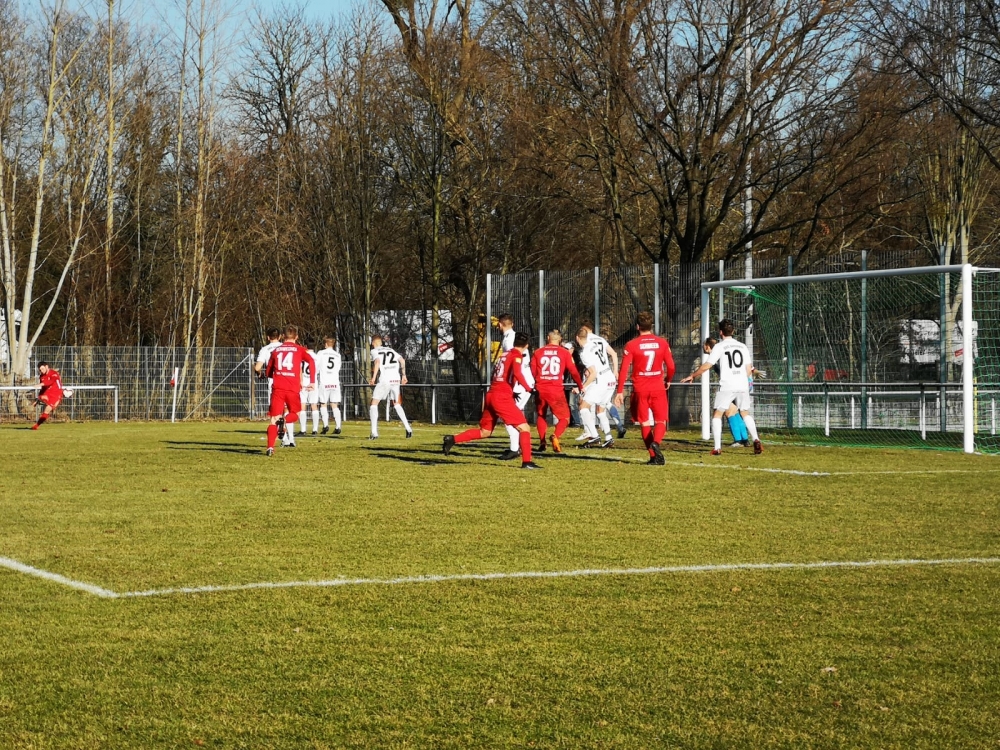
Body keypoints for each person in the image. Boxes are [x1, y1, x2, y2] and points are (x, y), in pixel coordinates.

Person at [442, 332, 541, 469]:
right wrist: (529, 389)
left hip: (492, 394)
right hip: (501, 397)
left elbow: (501, 375)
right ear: (527, 346)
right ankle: (527, 462)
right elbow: (517, 373)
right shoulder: (517, 355)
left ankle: (452, 439)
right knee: (524, 428)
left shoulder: (504, 354)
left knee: (485, 432)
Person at [681, 319, 762, 455]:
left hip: (727, 385)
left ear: (720, 332)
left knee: (717, 414)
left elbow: (707, 365)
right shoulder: (742, 346)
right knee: (745, 413)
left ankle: (717, 447)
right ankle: (756, 439)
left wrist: (693, 375)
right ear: (733, 331)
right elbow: (748, 369)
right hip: (742, 384)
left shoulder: (719, 347)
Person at [614, 311, 675, 465]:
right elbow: (671, 366)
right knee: (661, 421)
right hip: (658, 387)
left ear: (637, 327)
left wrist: (620, 391)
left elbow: (624, 369)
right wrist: (668, 379)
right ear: (651, 326)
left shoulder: (632, 344)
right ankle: (657, 443)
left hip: (640, 389)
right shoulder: (662, 343)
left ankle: (653, 456)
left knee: (645, 423)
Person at [264, 325, 315, 455]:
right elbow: (311, 362)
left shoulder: (275, 351)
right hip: (292, 388)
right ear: (296, 337)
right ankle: (285, 421)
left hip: (278, 389)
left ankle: (270, 447)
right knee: (296, 414)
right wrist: (313, 381)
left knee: (274, 419)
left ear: (283, 336)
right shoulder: (299, 349)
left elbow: (268, 372)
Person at [530, 330, 583, 453]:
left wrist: (537, 382)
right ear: (559, 340)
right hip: (556, 389)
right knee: (565, 418)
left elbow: (532, 370)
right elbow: (573, 371)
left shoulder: (538, 352)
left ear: (548, 338)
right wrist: (580, 385)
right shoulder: (564, 353)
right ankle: (555, 436)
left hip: (541, 388)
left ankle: (542, 441)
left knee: (541, 415)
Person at [497, 313, 536, 460]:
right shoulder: (512, 337)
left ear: (500, 325)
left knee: (509, 416)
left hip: (520, 384)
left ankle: (515, 449)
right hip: (522, 382)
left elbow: (514, 366)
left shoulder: (510, 341)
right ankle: (518, 446)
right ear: (511, 323)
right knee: (516, 415)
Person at [575, 326, 619, 447]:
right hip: (610, 377)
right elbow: (613, 354)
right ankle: (609, 438)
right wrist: (616, 371)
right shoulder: (599, 340)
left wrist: (581, 387)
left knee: (583, 407)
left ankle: (594, 436)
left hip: (601, 380)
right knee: (601, 410)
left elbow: (593, 374)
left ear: (577, 338)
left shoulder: (584, 352)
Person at [704, 337, 750, 447]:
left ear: (707, 346)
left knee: (729, 412)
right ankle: (745, 439)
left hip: (734, 386)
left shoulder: (718, 356)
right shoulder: (722, 354)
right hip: (741, 384)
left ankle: (739, 440)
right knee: (735, 411)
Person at [369, 335, 412, 439]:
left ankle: (374, 432)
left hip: (385, 380)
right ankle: (408, 429)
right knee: (397, 404)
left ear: (373, 343)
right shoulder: (391, 350)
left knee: (374, 404)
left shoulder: (374, 351)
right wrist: (404, 375)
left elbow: (377, 362)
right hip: (396, 379)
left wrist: (373, 378)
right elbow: (402, 360)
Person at [254, 327, 284, 433]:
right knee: (287, 408)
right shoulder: (285, 347)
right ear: (280, 337)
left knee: (275, 410)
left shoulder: (265, 349)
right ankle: (290, 439)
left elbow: (257, 367)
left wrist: (260, 374)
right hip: (288, 380)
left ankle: (279, 433)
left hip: (274, 381)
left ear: (268, 337)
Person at [314, 336, 343, 435]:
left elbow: (316, 367)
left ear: (325, 344)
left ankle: (325, 425)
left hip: (324, 382)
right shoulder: (337, 355)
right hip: (335, 382)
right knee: (334, 404)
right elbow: (338, 368)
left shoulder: (321, 353)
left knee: (323, 404)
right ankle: (338, 426)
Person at [32, 362, 64, 430]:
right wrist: (38, 399)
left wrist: (40, 384)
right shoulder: (42, 376)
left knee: (47, 410)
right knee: (43, 398)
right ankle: (36, 426)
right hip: (47, 393)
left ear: (46, 367)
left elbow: (50, 382)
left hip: (56, 394)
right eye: (40, 370)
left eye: (42, 369)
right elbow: (42, 389)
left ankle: (37, 425)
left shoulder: (54, 373)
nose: (41, 371)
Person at [299, 341, 320, 436]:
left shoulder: (302, 356)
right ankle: (315, 430)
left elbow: (299, 369)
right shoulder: (317, 357)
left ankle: (303, 430)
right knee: (314, 406)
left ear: (305, 346)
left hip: (303, 383)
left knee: (302, 406)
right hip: (313, 383)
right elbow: (317, 370)